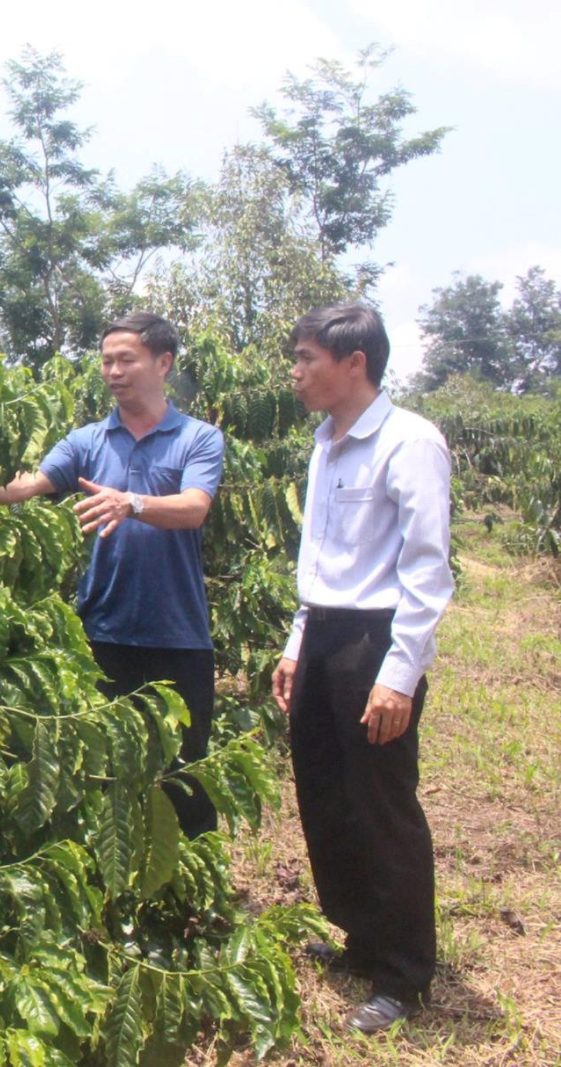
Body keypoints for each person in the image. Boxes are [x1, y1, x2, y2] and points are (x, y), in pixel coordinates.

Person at [271, 304, 453, 1034]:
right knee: (326, 794)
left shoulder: (410, 441)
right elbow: (319, 558)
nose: (295, 372)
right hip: (324, 634)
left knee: (381, 804)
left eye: (306, 358)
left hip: (375, 640)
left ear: (355, 363)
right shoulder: (324, 443)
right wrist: (297, 641)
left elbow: (427, 570)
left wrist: (399, 674)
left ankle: (404, 974)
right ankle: (362, 936)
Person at [0, 312, 224, 838]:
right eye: (106, 361)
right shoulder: (88, 441)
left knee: (184, 774)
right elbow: (26, 485)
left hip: (177, 636)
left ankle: (190, 879)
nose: (113, 371)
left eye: (126, 360)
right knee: (102, 771)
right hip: (102, 633)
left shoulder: (197, 438)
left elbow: (194, 507)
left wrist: (132, 502)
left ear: (163, 363)